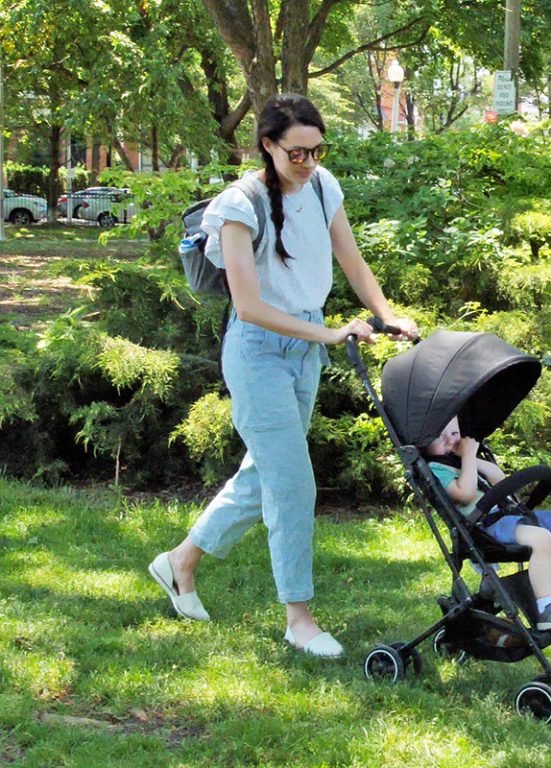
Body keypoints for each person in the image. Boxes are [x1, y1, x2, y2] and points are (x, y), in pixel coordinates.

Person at [149, 93, 417, 658]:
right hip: (259, 354)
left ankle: (180, 562)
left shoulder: (323, 187)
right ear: (268, 146)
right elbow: (247, 305)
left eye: (317, 150)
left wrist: (386, 313)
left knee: (262, 476)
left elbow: (351, 258)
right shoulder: (238, 205)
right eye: (297, 153)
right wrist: (329, 335)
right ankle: (299, 619)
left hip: (305, 350)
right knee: (293, 484)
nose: (309, 162)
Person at [426, 417, 551, 632]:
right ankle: (547, 607)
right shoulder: (437, 468)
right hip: (487, 527)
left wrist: (471, 457)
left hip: (510, 518)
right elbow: (465, 494)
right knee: (542, 540)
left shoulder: (463, 459)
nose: (449, 440)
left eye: (454, 434)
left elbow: (499, 480)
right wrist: (466, 458)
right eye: (439, 436)